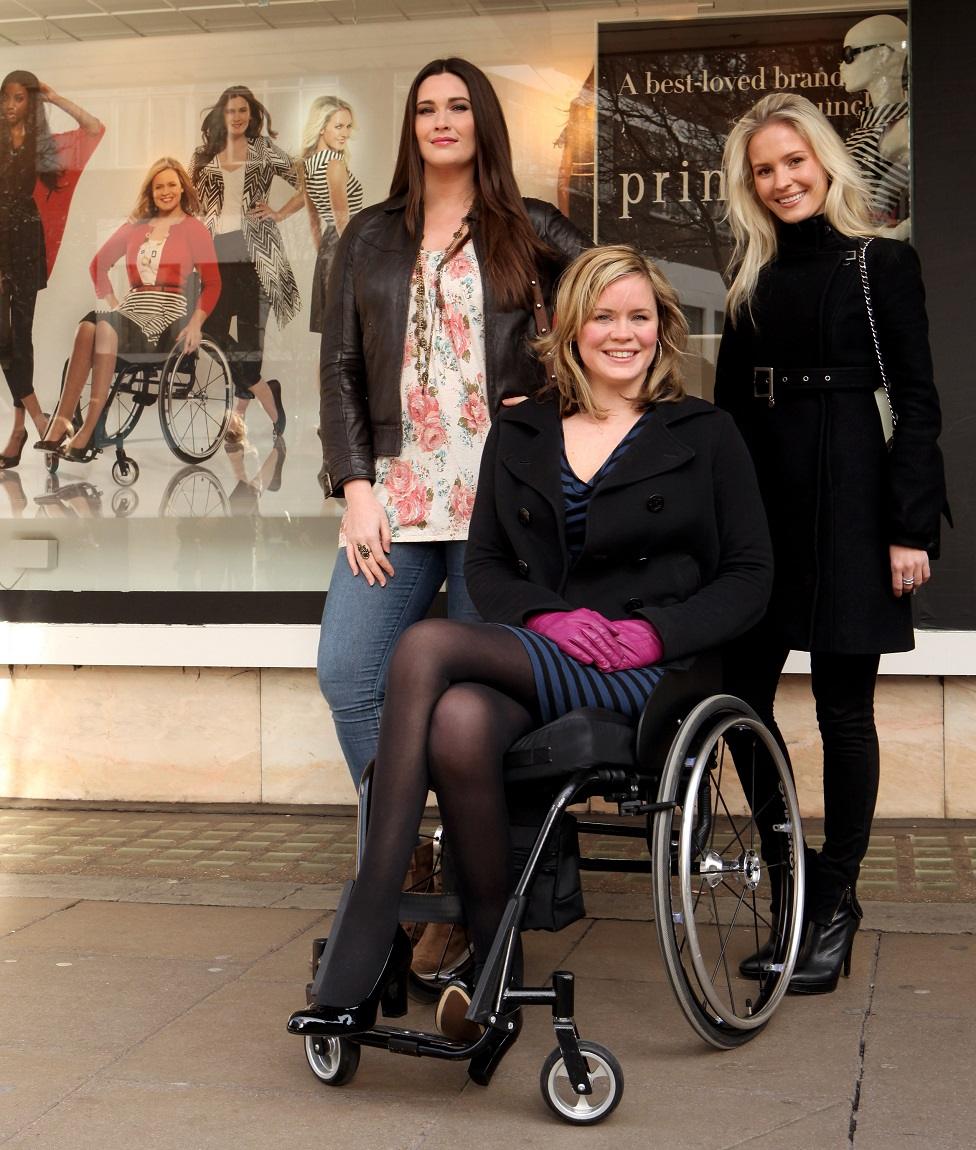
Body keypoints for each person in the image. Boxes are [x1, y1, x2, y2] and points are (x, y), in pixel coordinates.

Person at [288, 243, 773, 1056]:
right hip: (553, 647)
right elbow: (484, 565)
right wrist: (546, 617)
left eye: (641, 317)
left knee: (425, 647)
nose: (624, 334)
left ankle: (373, 916)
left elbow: (751, 577)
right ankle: (494, 978)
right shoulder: (522, 428)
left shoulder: (705, 432)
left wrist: (657, 631)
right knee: (461, 723)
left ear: (665, 328)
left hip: (648, 669)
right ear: (573, 329)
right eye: (604, 317)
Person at [715, 93, 947, 995]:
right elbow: (728, 421)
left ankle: (837, 901)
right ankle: (791, 883)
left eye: (793, 163)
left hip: (854, 502)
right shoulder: (748, 278)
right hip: (766, 510)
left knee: (844, 711)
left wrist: (908, 528)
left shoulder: (879, 263)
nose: (781, 182)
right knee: (740, 696)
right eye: (764, 171)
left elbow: (918, 401)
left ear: (825, 162)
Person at [316, 57, 589, 792]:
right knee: (349, 674)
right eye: (427, 108)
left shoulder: (529, 226)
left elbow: (625, 300)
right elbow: (339, 366)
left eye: (459, 107)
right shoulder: (370, 236)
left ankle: (482, 872)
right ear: (411, 127)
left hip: (500, 499)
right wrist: (356, 488)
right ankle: (401, 850)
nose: (442, 121)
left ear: (483, 122)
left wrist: (551, 398)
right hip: (395, 498)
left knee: (479, 700)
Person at [36, 159, 220, 460]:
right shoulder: (136, 227)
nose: (166, 191)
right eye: (158, 186)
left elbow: (213, 284)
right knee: (87, 327)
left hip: (167, 315)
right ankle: (63, 421)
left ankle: (90, 430)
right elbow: (98, 265)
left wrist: (197, 324)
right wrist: (114, 304)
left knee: (105, 326)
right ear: (151, 191)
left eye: (172, 184)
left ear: (182, 188)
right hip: (132, 309)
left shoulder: (193, 229)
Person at [0, 71, 103, 469]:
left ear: (32, 103)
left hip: (25, 241)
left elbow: (93, 128)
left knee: (18, 336)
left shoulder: (46, 147)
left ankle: (19, 427)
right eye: (6, 98)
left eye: (20, 99)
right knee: (3, 339)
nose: (10, 106)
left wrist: (55, 97)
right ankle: (41, 419)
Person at [190, 85, 300, 443]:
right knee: (212, 334)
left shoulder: (264, 150)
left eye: (243, 111)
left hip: (256, 255)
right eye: (231, 110)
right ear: (221, 115)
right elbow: (187, 202)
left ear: (251, 115)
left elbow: (308, 182)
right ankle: (266, 392)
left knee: (250, 345)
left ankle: (238, 417)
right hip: (215, 253)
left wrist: (280, 213)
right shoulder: (203, 155)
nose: (237, 117)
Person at [297, 96, 364, 333]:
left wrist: (325, 254)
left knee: (334, 333)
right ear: (322, 126)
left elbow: (313, 220)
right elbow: (341, 217)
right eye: (338, 126)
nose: (344, 133)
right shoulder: (334, 163)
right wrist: (356, 255)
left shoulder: (308, 164)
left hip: (328, 245)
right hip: (345, 242)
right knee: (347, 329)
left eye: (348, 126)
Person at [839, 14, 910, 234]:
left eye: (848, 54)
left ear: (882, 55)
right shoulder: (864, 132)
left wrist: (894, 235)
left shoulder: (904, 129)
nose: (842, 65)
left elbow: (936, 199)